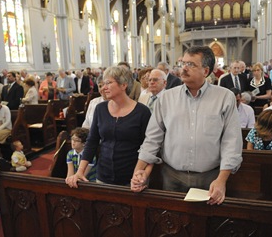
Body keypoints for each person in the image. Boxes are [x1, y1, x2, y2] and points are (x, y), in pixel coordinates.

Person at [131, 46, 242, 206]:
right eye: (183, 63)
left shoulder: (224, 97)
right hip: (172, 175)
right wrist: (139, 172)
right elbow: (152, 139)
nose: (184, 68)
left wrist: (221, 180)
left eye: (191, 64)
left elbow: (231, 142)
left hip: (210, 176)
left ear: (205, 71)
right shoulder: (167, 98)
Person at [65, 66, 151, 187]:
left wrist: (141, 175)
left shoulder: (142, 112)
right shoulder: (100, 109)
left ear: (123, 85)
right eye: (103, 83)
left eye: (108, 83)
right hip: (103, 175)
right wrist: (80, 171)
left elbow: (148, 147)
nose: (104, 88)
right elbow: (92, 141)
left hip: (132, 177)